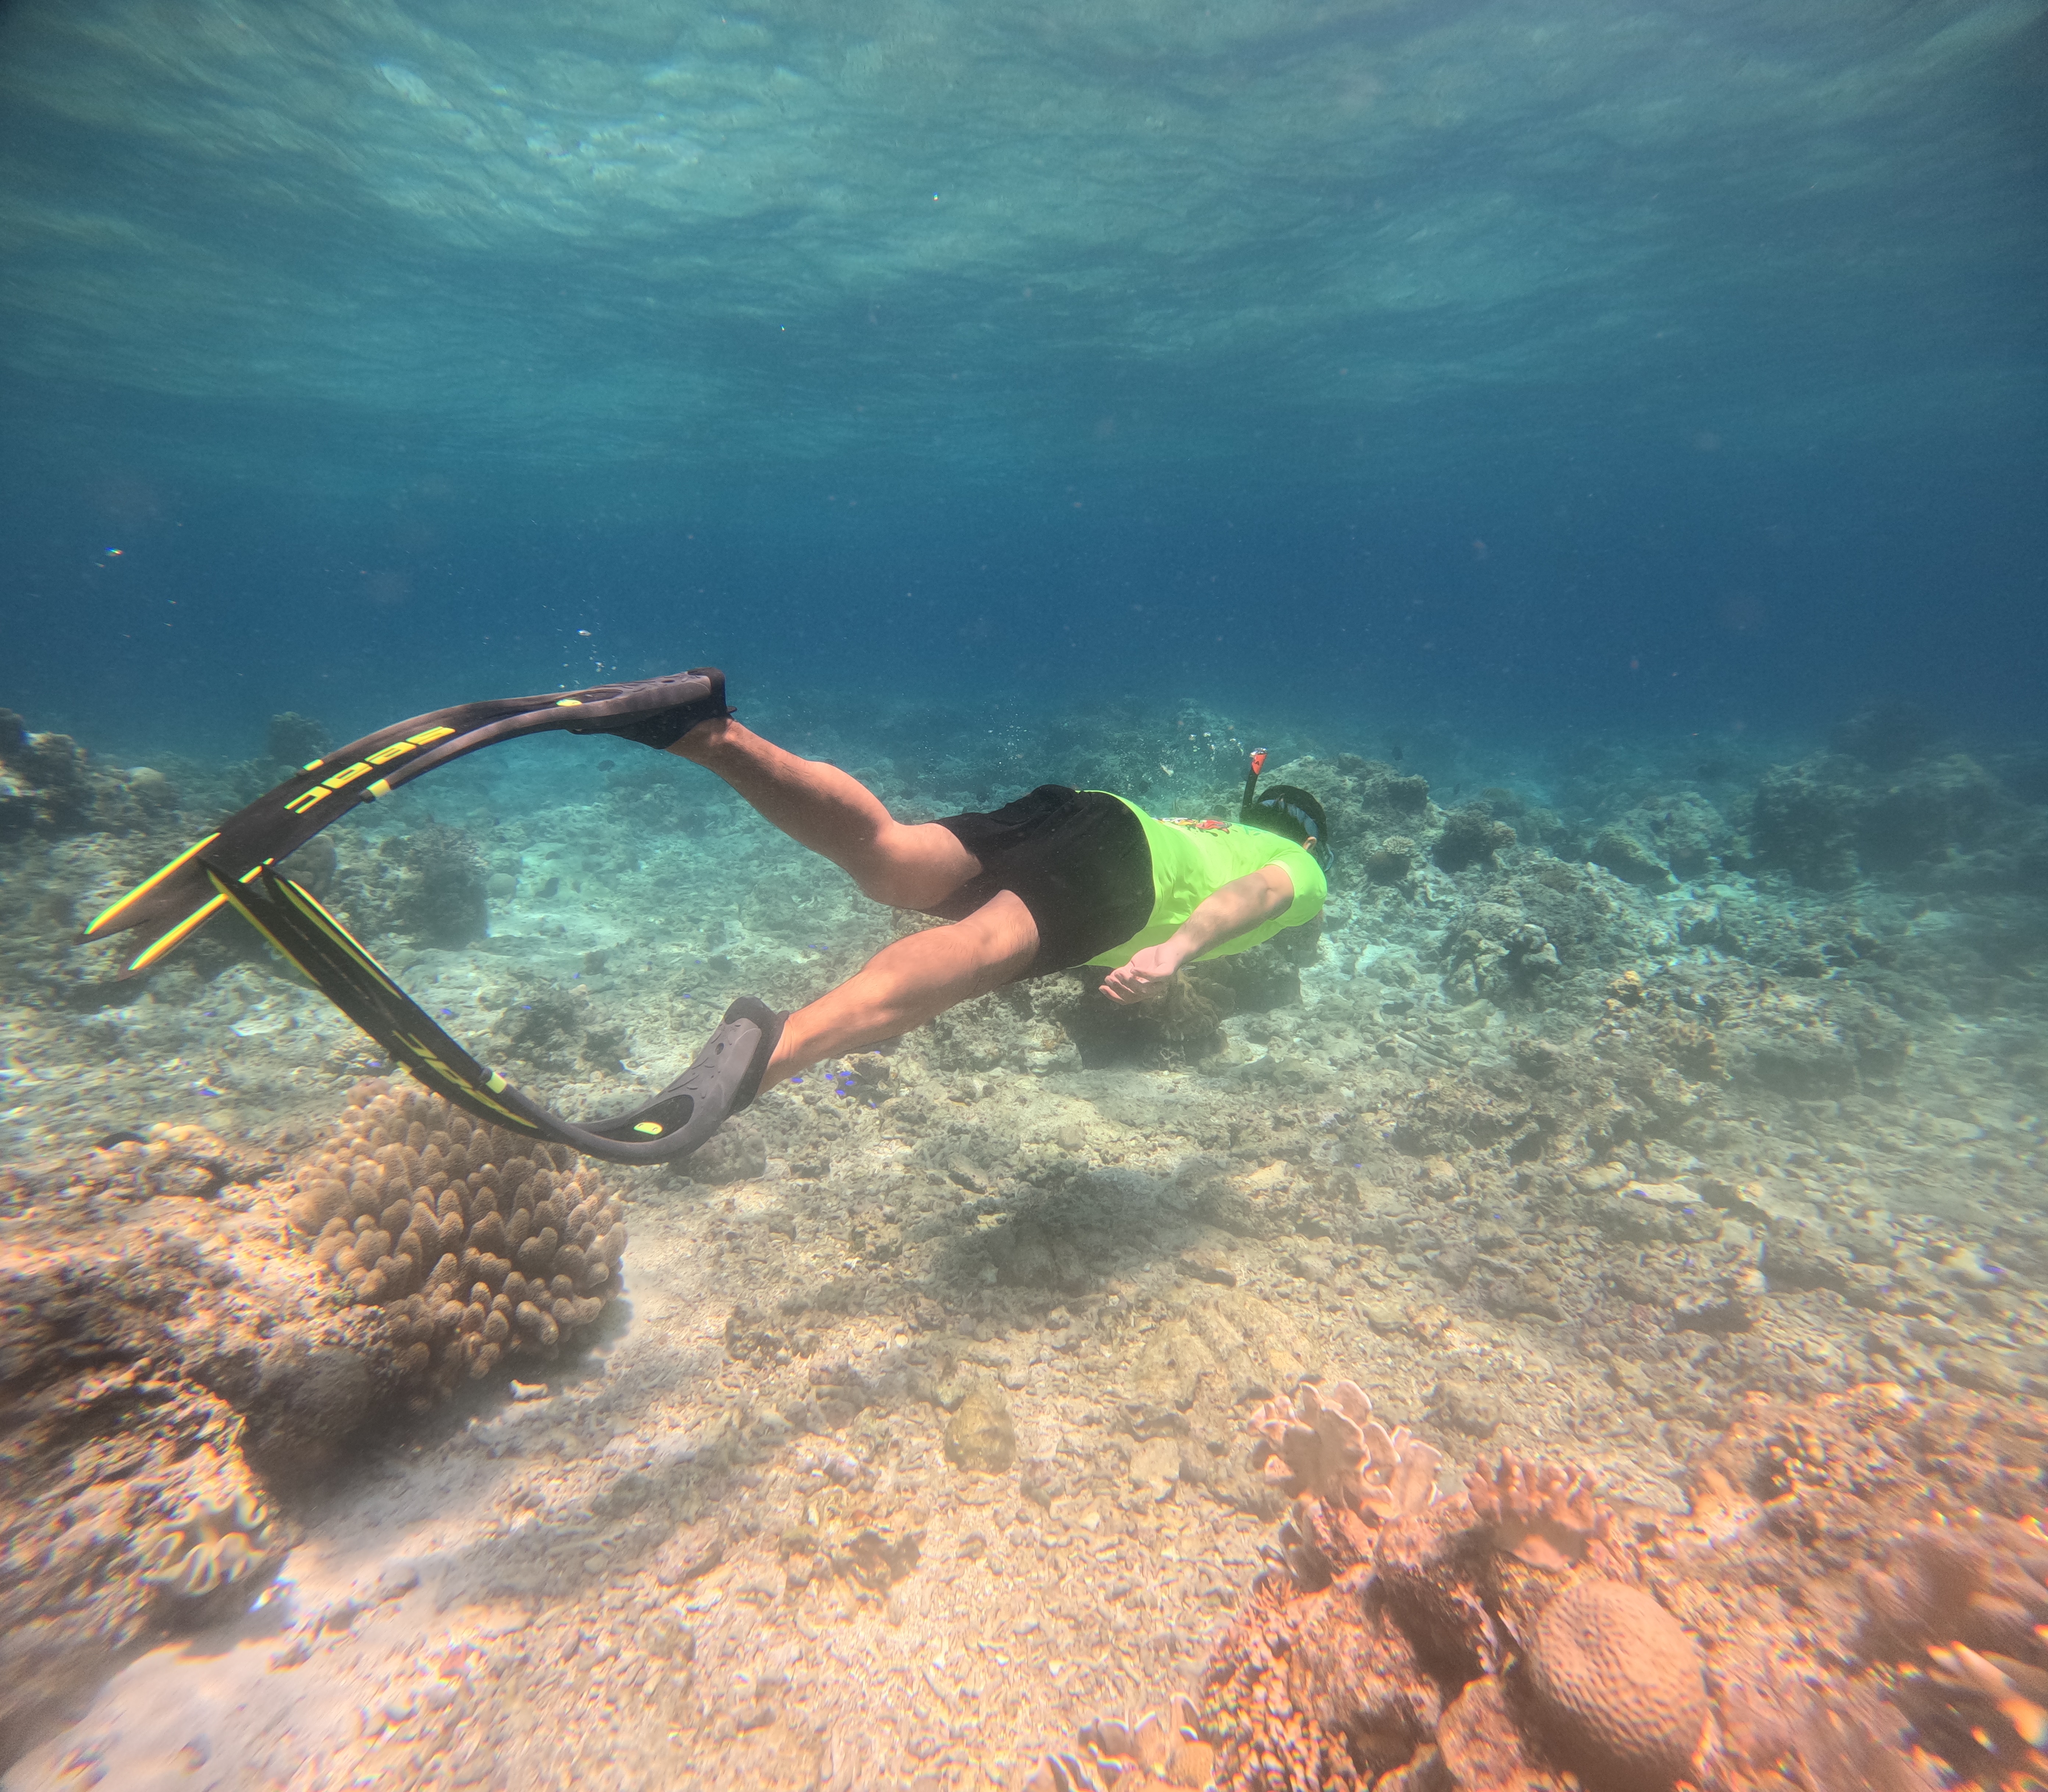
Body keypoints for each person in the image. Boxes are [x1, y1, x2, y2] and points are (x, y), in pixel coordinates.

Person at [659, 697, 1329, 1146]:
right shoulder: (1299, 864)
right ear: (1308, 844)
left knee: (895, 856)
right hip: (1131, 870)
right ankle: (773, 1053)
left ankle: (706, 732)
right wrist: (1178, 950)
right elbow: (1262, 895)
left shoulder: (1217, 827)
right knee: (981, 949)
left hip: (1084, 810)